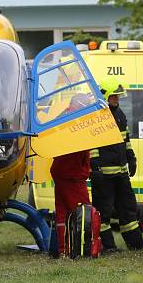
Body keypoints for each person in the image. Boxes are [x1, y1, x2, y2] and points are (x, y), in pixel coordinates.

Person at [89, 77, 143, 251]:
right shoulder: (96, 116)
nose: (117, 99)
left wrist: (131, 158)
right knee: (103, 212)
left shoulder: (120, 114)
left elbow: (125, 140)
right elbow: (92, 146)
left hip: (121, 173)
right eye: (114, 96)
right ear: (105, 96)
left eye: (118, 96)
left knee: (128, 208)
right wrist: (95, 168)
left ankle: (136, 243)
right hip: (104, 175)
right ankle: (107, 246)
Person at [51, 95, 93, 257]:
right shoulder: (78, 122)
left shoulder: (63, 118)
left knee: (62, 213)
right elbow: (80, 149)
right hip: (72, 174)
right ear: (82, 105)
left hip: (60, 171)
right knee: (82, 213)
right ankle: (82, 249)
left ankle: (63, 250)